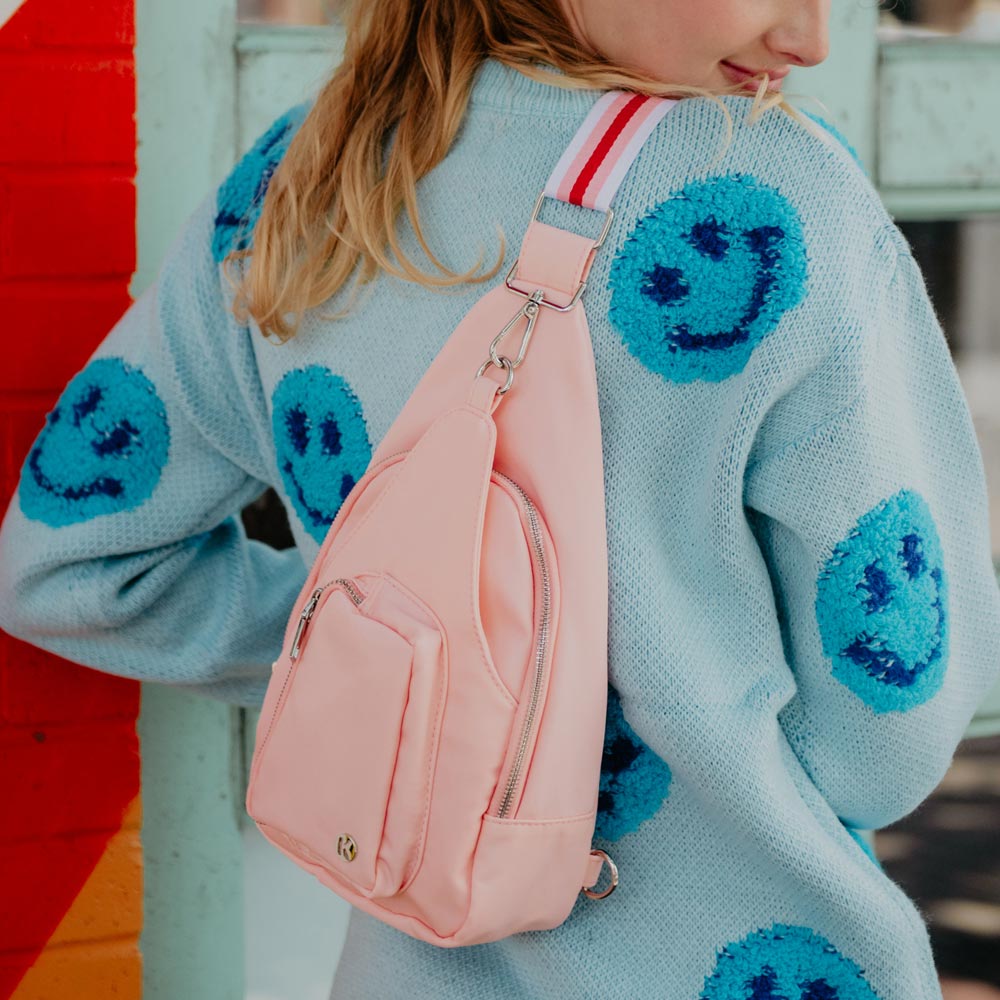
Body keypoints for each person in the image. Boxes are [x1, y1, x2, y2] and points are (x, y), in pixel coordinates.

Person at [1, 0, 998, 996]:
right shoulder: (780, 203)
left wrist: (408, 664)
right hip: (758, 960)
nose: (810, 40)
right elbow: (888, 732)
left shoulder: (303, 178)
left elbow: (67, 567)